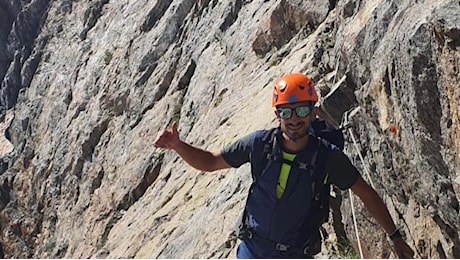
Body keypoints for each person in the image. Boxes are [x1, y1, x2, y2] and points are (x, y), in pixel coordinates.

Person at [153, 73, 415, 259]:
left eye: (301, 111)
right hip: (251, 251)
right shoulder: (259, 144)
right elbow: (210, 162)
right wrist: (178, 145)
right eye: (286, 112)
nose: (293, 120)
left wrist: (395, 236)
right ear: (276, 114)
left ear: (314, 113)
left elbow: (366, 194)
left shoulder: (328, 157)